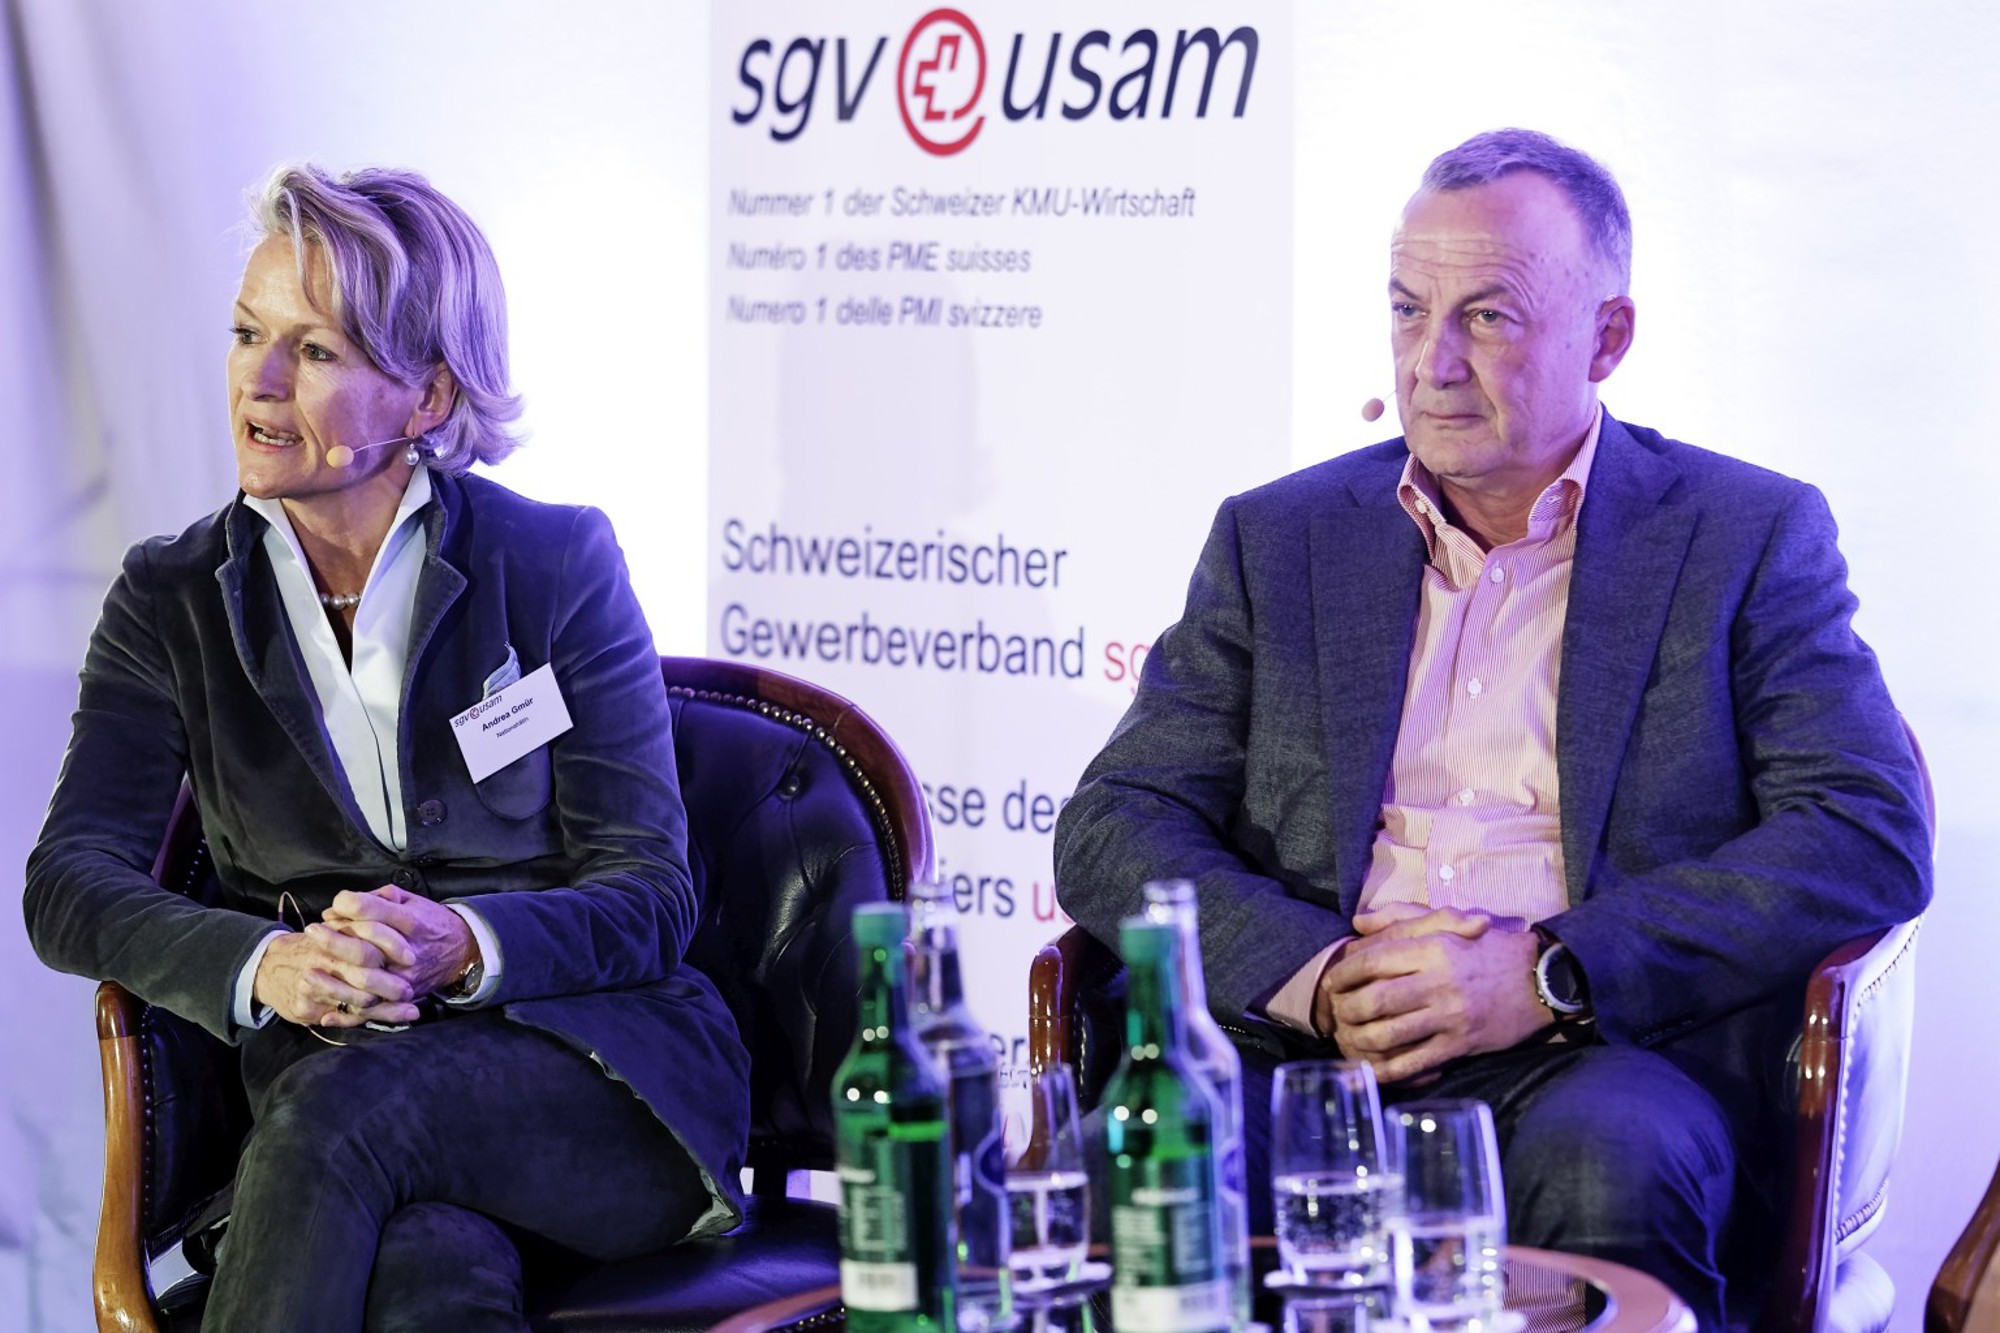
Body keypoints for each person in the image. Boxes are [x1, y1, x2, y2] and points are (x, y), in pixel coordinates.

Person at [1053, 129, 1931, 1329]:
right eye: (1407, 310)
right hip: (1307, 1046)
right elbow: (1114, 821)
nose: (1433, 363)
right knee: (1145, 1159)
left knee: (1610, 1164)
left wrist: (1549, 972)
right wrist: (1318, 979)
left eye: (1486, 316)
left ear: (1605, 338)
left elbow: (1864, 828)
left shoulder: (1740, 535)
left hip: (1602, 1051)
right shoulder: (1280, 538)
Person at [24, 164, 749, 1332]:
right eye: (247, 333)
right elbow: (68, 884)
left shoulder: (554, 564)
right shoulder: (170, 598)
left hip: (593, 1082)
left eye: (313, 350)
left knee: (340, 1119)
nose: (259, 379)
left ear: (426, 395)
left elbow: (650, 890)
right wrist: (266, 961)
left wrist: (466, 944)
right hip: (332, 1096)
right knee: (426, 1272)